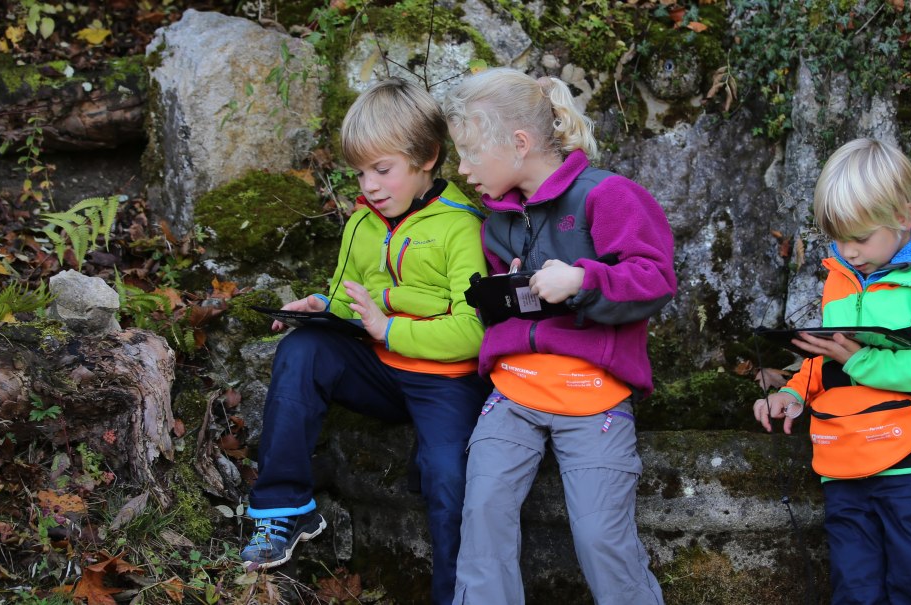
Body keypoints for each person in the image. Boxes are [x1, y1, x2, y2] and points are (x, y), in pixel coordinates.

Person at [242, 78, 490, 605]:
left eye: (383, 169)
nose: (371, 185)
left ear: (427, 157)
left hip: (445, 383)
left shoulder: (462, 228)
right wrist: (320, 307)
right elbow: (348, 299)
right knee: (302, 349)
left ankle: (456, 595)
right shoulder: (361, 222)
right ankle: (285, 508)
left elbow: (473, 333)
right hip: (380, 370)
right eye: (360, 172)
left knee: (448, 478)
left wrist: (390, 328)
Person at [442, 67, 674, 605]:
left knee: (601, 538)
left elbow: (656, 279)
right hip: (514, 392)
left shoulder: (608, 196)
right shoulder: (495, 222)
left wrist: (584, 279)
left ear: (519, 143)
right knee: (482, 514)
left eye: (471, 153)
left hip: (594, 399)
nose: (463, 168)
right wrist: (507, 290)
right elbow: (502, 312)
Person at [753, 138, 911, 604]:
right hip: (842, 461)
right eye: (839, 239)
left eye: (860, 238)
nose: (849, 252)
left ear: (902, 216)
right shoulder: (840, 276)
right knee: (854, 589)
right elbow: (827, 356)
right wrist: (795, 394)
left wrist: (860, 360)